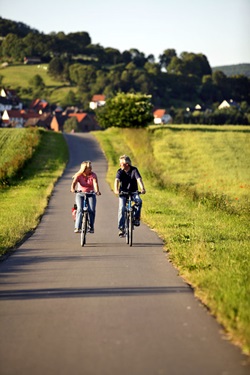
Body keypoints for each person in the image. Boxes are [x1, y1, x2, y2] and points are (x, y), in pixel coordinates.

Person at [114, 155, 146, 237]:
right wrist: (116, 190)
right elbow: (116, 180)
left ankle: (136, 218)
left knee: (139, 201)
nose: (120, 165)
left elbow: (139, 179)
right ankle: (121, 228)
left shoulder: (134, 170)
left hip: (133, 192)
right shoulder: (120, 171)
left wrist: (142, 188)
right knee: (122, 208)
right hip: (123, 193)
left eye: (121, 163)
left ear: (127, 164)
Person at [71, 161, 101, 233]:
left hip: (91, 194)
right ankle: (77, 227)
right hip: (80, 194)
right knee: (80, 209)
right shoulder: (79, 175)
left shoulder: (93, 175)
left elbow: (95, 183)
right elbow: (74, 183)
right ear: (84, 169)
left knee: (91, 210)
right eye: (89, 168)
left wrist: (97, 191)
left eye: (91, 167)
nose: (91, 169)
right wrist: (72, 189)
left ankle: (91, 227)